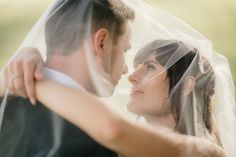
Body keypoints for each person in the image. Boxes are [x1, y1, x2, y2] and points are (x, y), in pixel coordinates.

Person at [0, 0, 134, 157]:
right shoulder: (95, 139)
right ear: (102, 43)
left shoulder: (4, 100)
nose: (125, 70)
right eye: (125, 49)